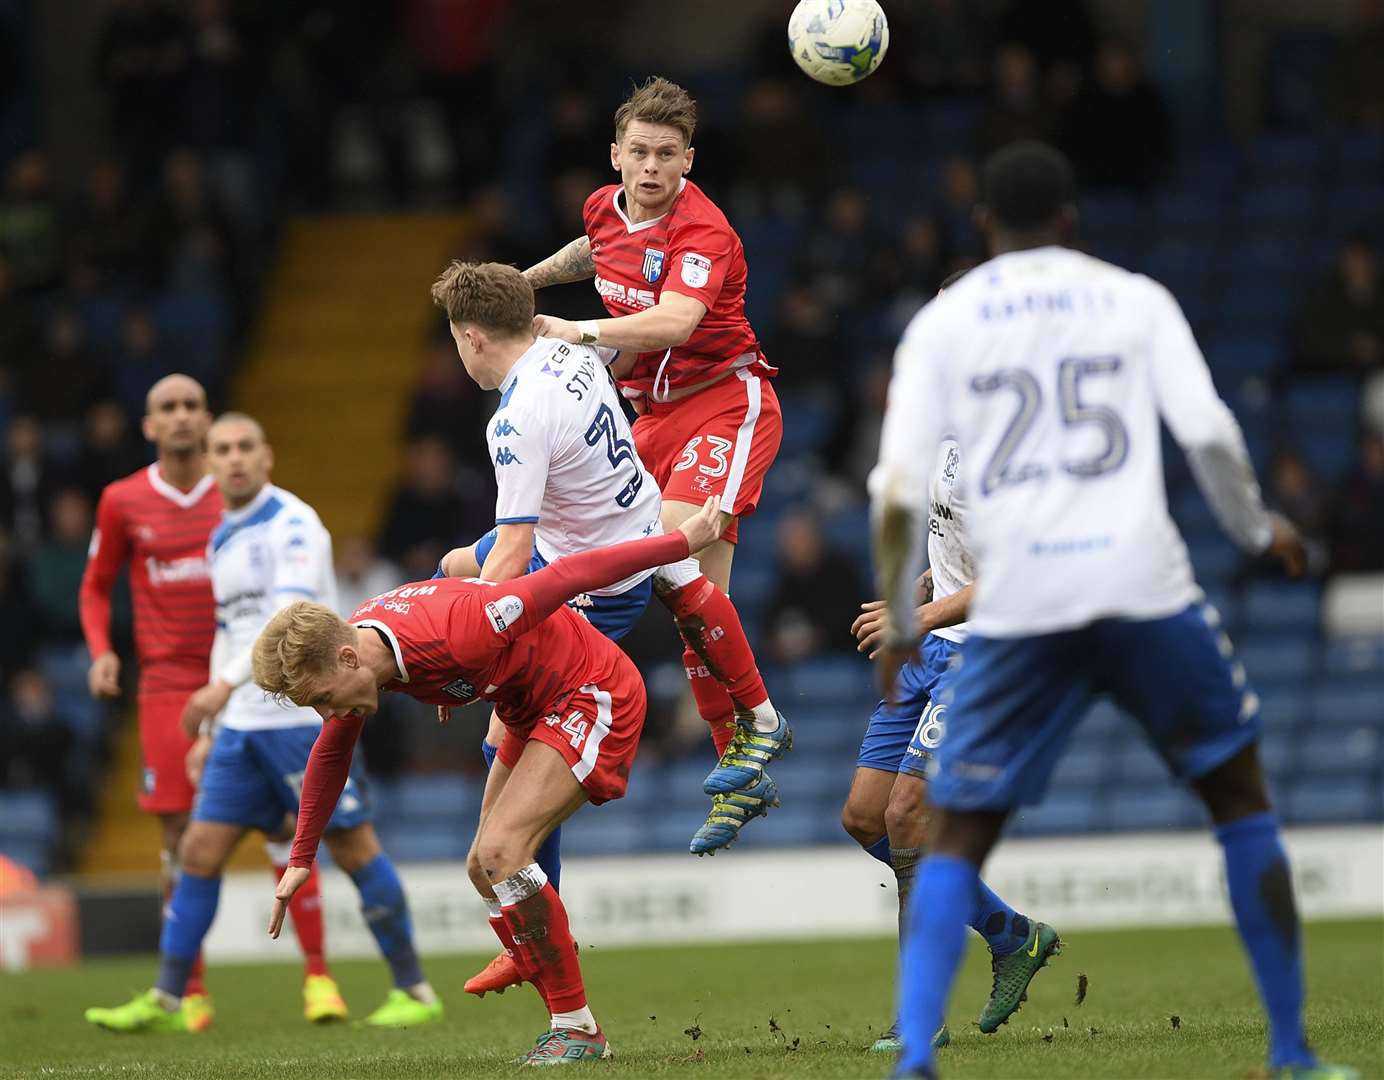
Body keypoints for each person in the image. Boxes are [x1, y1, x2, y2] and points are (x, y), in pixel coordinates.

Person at [871, 140, 1354, 1080]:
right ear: (1072, 223)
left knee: (951, 829)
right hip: (1141, 587)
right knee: (1241, 805)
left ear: (983, 226)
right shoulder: (1137, 299)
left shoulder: (945, 322)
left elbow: (894, 482)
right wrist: (1260, 530)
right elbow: (1210, 431)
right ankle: (1292, 1052)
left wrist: (899, 613)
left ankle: (917, 1058)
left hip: (1022, 605)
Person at [255, 497, 727, 1065]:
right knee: (484, 868)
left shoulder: (459, 631)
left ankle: (576, 1025)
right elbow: (330, 752)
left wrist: (683, 542)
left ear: (349, 659)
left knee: (502, 852)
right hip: (531, 708)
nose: (327, 716)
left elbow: (570, 576)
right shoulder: (369, 644)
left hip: (591, 692)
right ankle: (545, 965)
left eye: (324, 700)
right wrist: (302, 858)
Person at [427, 260, 788, 997]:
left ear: (470, 339)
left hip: (591, 581)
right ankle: (753, 718)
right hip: (613, 531)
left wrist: (459, 655)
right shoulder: (567, 347)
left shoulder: (516, 418)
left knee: (510, 746)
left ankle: (533, 937)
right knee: (449, 566)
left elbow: (518, 556)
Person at [85, 413, 438, 1034]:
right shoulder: (222, 536)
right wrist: (215, 727)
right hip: (242, 727)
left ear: (266, 456)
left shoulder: (293, 523)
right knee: (197, 850)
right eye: (223, 450)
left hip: (299, 719)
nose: (235, 458)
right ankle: (169, 997)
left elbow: (285, 626)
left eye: (246, 447)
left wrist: (221, 687)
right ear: (211, 462)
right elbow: (232, 631)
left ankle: (414, 987)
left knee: (354, 847)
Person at [519, 76, 790, 798]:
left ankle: (758, 729)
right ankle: (740, 760)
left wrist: (577, 329)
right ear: (615, 155)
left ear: (687, 162)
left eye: (665, 155)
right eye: (637, 152)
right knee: (689, 596)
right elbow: (596, 250)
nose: (649, 168)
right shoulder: (604, 209)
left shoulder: (703, 231)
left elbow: (674, 323)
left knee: (669, 559)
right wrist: (528, 282)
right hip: (651, 417)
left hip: (724, 404)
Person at [844, 278, 1058, 1057]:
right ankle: (1011, 935)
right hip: (938, 642)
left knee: (908, 817)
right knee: (865, 818)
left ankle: (920, 1014)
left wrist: (926, 612)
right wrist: (932, 582)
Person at [78, 375, 330, 1028]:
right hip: (169, 684)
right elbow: (96, 584)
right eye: (168, 407)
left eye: (193, 405)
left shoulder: (236, 500)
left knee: (284, 826)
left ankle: (319, 979)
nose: (182, 417)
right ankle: (189, 991)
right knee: (179, 835)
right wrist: (102, 648)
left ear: (209, 420)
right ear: (149, 425)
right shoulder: (122, 500)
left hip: (246, 676)